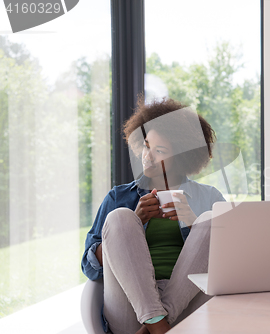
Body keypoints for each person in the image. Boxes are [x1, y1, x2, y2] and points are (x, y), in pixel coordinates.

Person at [81, 98, 226, 334]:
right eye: (146, 145)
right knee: (121, 217)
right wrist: (134, 223)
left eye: (160, 151)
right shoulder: (118, 197)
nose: (147, 156)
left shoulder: (209, 196)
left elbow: (230, 266)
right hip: (130, 305)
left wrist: (192, 224)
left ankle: (157, 324)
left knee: (210, 219)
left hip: (189, 303)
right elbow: (90, 268)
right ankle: (158, 324)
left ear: (181, 155)